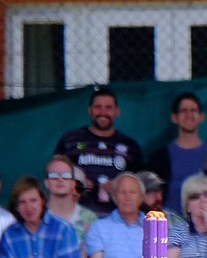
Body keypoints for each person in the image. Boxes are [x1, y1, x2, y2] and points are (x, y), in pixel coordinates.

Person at [54, 86, 144, 215]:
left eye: (108, 108)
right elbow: (54, 173)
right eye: (98, 107)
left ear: (117, 111)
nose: (103, 112)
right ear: (90, 110)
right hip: (76, 214)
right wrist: (76, 182)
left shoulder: (130, 146)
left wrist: (119, 184)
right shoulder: (70, 140)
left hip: (117, 217)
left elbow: (139, 184)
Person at [149, 92, 207, 214]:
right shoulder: (159, 157)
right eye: (183, 110)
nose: (188, 115)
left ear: (202, 116)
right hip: (168, 224)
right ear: (174, 117)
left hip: (205, 224)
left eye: (193, 110)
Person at [44, 153, 97, 243]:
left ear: (73, 183)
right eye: (54, 175)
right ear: (46, 183)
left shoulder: (90, 219)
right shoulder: (35, 215)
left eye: (66, 176)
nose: (60, 179)